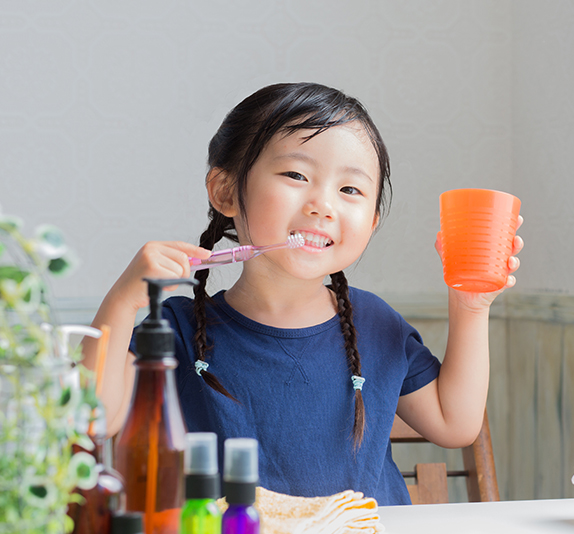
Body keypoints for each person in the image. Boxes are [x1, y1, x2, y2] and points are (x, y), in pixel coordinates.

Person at [83, 82, 523, 505]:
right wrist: (122, 302)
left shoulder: (375, 323)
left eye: (350, 189)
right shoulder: (177, 328)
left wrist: (471, 304)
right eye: (296, 174)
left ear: (371, 223)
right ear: (224, 191)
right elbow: (93, 420)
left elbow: (455, 423)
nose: (323, 204)